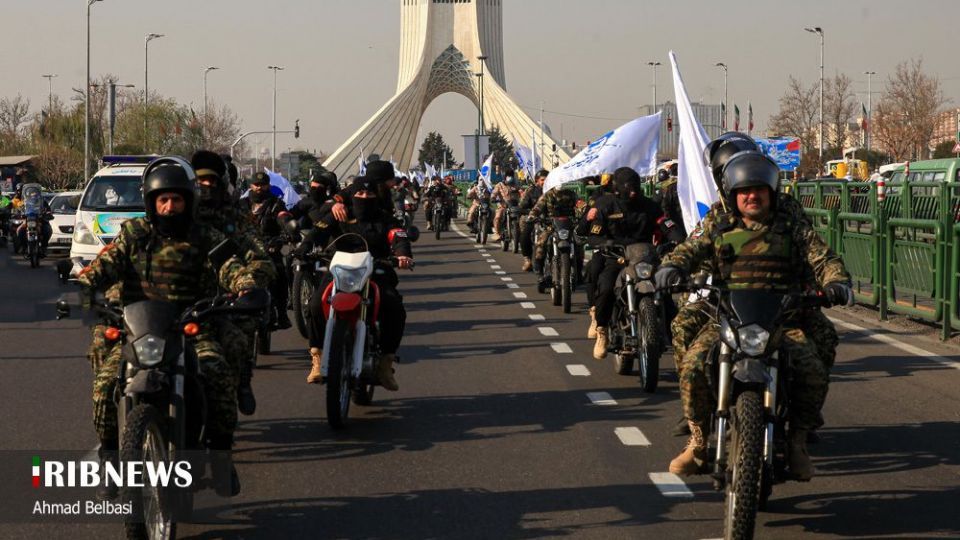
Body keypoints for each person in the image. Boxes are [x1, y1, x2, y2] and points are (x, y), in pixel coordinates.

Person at [656, 149, 853, 480]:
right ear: (733, 194)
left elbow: (822, 257)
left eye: (759, 190)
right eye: (745, 191)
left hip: (782, 317)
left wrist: (837, 283)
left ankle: (797, 441)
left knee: (812, 368)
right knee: (692, 365)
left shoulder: (790, 225)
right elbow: (688, 251)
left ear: (771, 192)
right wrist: (672, 267)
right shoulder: (718, 223)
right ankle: (699, 442)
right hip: (727, 316)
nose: (752, 196)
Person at [78, 156, 264, 497]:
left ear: (188, 201)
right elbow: (103, 266)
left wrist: (247, 286)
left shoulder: (205, 237)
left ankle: (221, 458)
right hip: (139, 329)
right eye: (162, 199)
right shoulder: (134, 236)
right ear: (151, 202)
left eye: (176, 199)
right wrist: (85, 288)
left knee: (219, 374)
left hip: (191, 328)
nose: (169, 206)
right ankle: (110, 458)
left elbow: (232, 267)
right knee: (105, 386)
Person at [300, 175, 413, 390]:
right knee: (315, 304)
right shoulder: (339, 214)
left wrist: (402, 254)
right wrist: (305, 248)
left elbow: (398, 237)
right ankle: (317, 357)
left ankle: (385, 364)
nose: (364, 196)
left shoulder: (385, 218)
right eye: (359, 193)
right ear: (352, 195)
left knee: (394, 307)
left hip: (375, 269)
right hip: (339, 269)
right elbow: (318, 232)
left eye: (369, 193)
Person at [192, 150, 276, 416]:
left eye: (211, 183)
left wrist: (247, 285)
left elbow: (258, 255)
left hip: (223, 299)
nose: (205, 189)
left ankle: (241, 381)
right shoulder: (175, 217)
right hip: (177, 298)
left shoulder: (235, 218)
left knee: (238, 337)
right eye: (198, 183)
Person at [580, 167, 663, 359]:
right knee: (607, 288)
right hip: (616, 257)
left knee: (666, 288)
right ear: (617, 187)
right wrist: (604, 243)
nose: (632, 190)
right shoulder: (606, 206)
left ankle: (669, 334)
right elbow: (593, 236)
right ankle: (602, 329)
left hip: (644, 258)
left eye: (635, 185)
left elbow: (665, 224)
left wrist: (678, 238)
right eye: (627, 186)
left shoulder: (650, 206)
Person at [239, 172, 293, 330]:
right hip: (245, 249)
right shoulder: (241, 204)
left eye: (262, 185)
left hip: (270, 247)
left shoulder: (276, 203)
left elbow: (284, 217)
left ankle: (282, 313)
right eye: (256, 184)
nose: (259, 188)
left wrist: (288, 229)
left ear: (268, 186)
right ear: (251, 186)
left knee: (281, 274)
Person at [527, 181, 579, 286]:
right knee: (541, 244)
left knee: (579, 244)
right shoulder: (547, 195)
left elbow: (580, 206)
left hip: (568, 226)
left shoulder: (572, 194)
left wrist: (584, 213)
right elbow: (537, 208)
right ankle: (540, 274)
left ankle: (579, 273)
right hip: (551, 226)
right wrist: (532, 216)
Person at [518, 170, 547, 271]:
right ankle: (527, 259)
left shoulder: (552, 190)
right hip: (534, 219)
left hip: (549, 219)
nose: (544, 182)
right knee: (524, 236)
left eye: (546, 179)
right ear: (537, 181)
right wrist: (529, 211)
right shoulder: (531, 190)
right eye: (542, 180)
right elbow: (522, 205)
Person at [654, 163, 686, 237]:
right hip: (680, 215)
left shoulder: (664, 187)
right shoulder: (675, 184)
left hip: (673, 217)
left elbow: (660, 203)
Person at [492, 170, 521, 239]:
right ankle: (497, 233)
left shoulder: (516, 185)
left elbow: (522, 193)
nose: (510, 177)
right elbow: (494, 193)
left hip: (515, 206)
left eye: (511, 175)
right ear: (504, 177)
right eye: (508, 175)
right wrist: (493, 198)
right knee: (498, 217)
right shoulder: (500, 185)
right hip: (503, 206)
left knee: (524, 218)